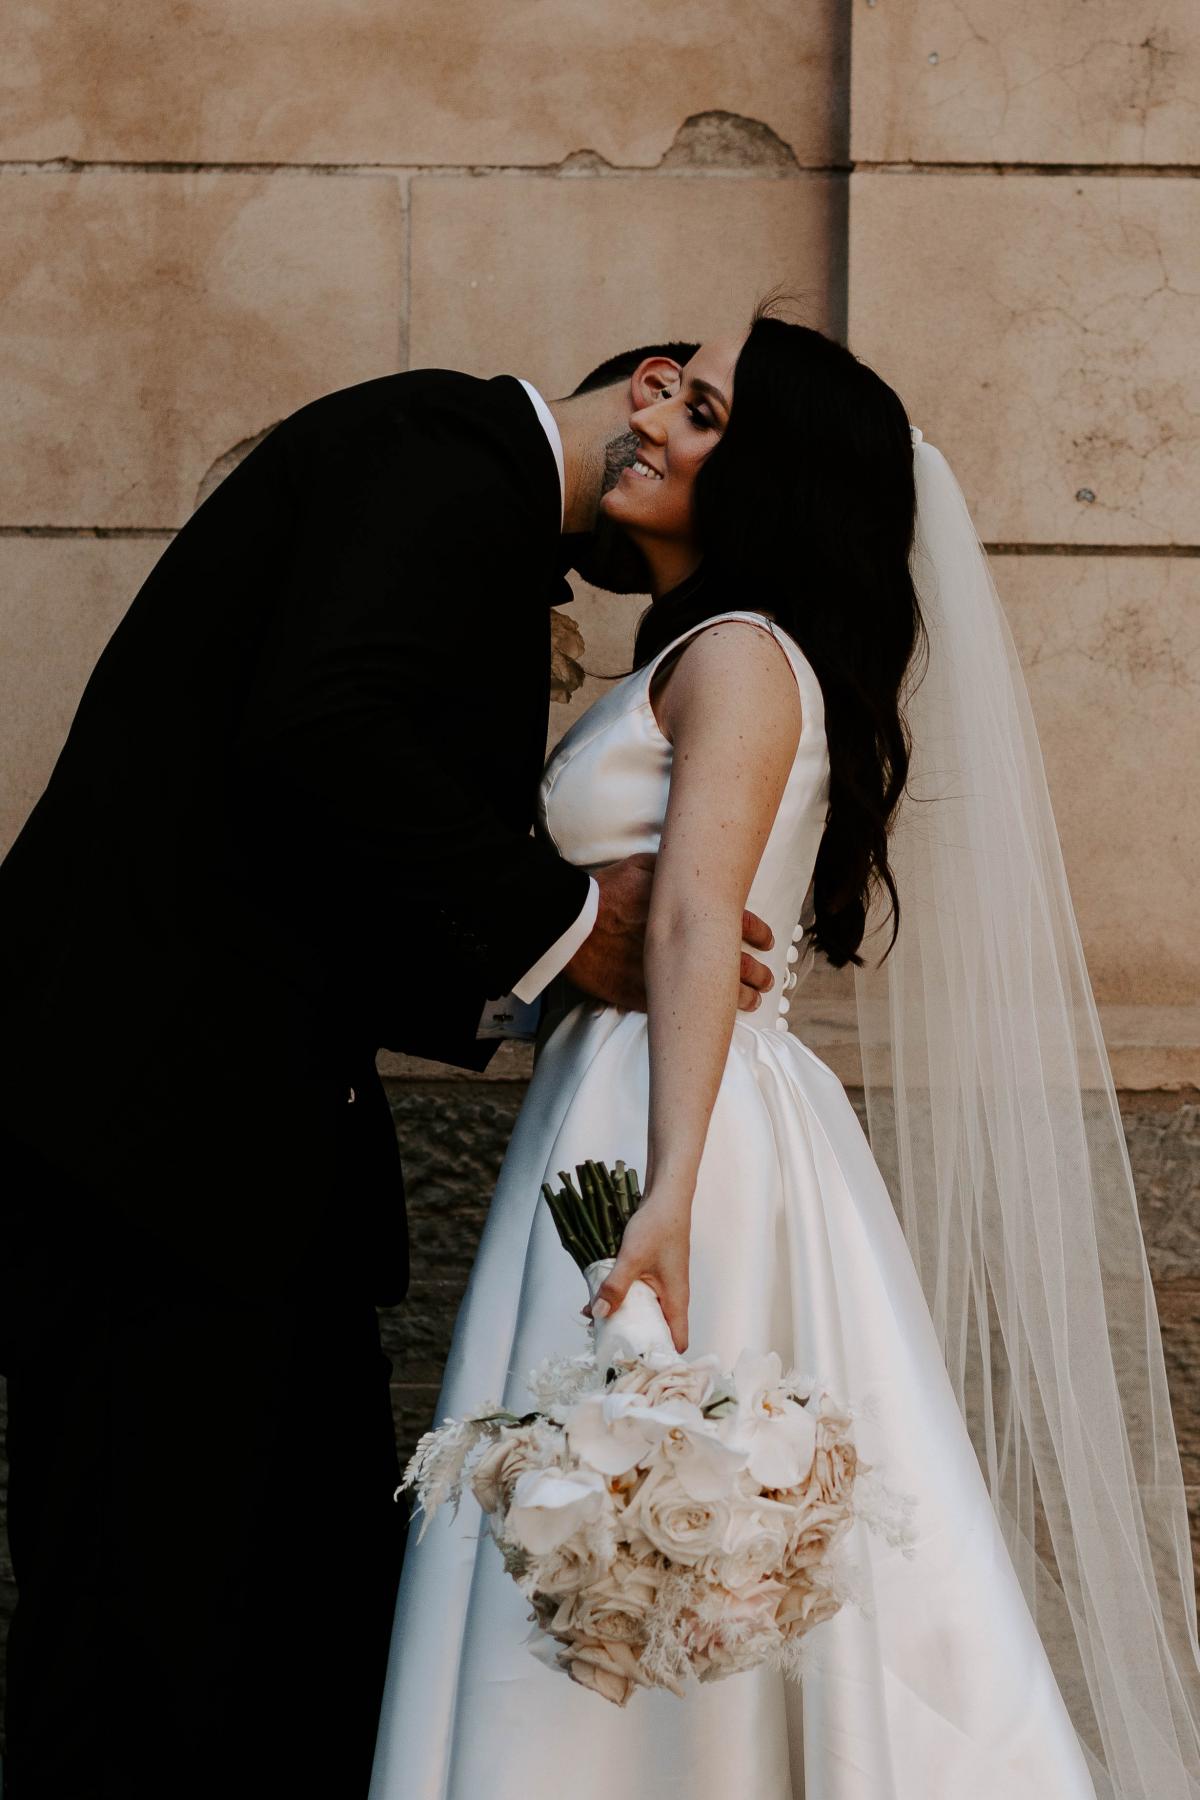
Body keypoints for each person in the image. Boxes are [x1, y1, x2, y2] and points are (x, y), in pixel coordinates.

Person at [369, 309, 1200, 1799]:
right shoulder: (707, 650)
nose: (655, 419)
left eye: (704, 412)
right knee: (618, 1497)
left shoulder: (742, 657)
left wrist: (672, 1191)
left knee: (648, 1472)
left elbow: (694, 922)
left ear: (770, 481)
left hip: (672, 1109)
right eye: (674, 393)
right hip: (634, 1088)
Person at [0, 344, 777, 1796]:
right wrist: (565, 928)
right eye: (695, 421)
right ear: (654, 385)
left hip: (237, 1161)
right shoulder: (441, 449)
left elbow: (320, 852)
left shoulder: (451, 479)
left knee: (264, 1622)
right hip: (153, 1143)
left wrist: (568, 991)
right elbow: (324, 730)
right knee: (136, 1621)